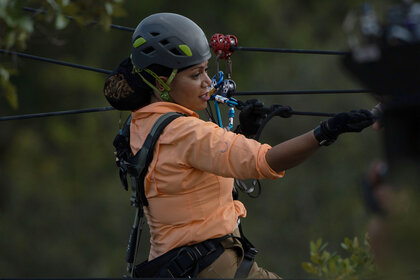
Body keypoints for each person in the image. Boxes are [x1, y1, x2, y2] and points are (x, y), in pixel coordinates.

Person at [104, 13, 374, 279]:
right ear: (162, 83)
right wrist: (325, 132)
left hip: (176, 266)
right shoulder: (187, 131)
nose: (208, 83)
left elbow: (190, 172)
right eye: (195, 74)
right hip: (213, 267)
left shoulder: (139, 122)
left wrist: (243, 133)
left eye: (206, 70)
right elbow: (265, 161)